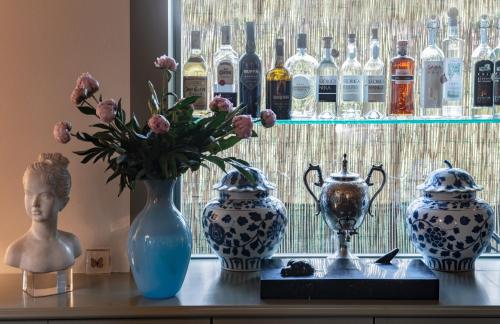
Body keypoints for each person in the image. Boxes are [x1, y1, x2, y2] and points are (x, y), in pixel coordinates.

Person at [4, 153, 81, 273]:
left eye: (45, 196)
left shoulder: (72, 243)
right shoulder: (16, 251)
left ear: (63, 202)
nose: (35, 203)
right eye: (29, 193)